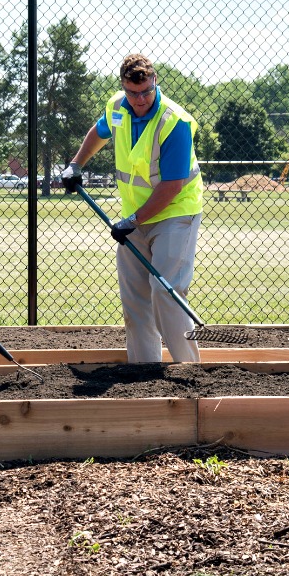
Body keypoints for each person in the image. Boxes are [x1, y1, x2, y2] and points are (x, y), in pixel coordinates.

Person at [60, 54, 205, 363]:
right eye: (133, 92)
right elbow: (98, 133)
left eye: (146, 91)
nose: (140, 99)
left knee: (167, 292)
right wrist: (75, 165)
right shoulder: (117, 108)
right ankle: (143, 370)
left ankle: (189, 369)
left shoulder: (174, 122)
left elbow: (172, 186)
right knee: (135, 298)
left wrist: (132, 220)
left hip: (175, 213)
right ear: (124, 88)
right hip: (134, 216)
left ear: (155, 83)